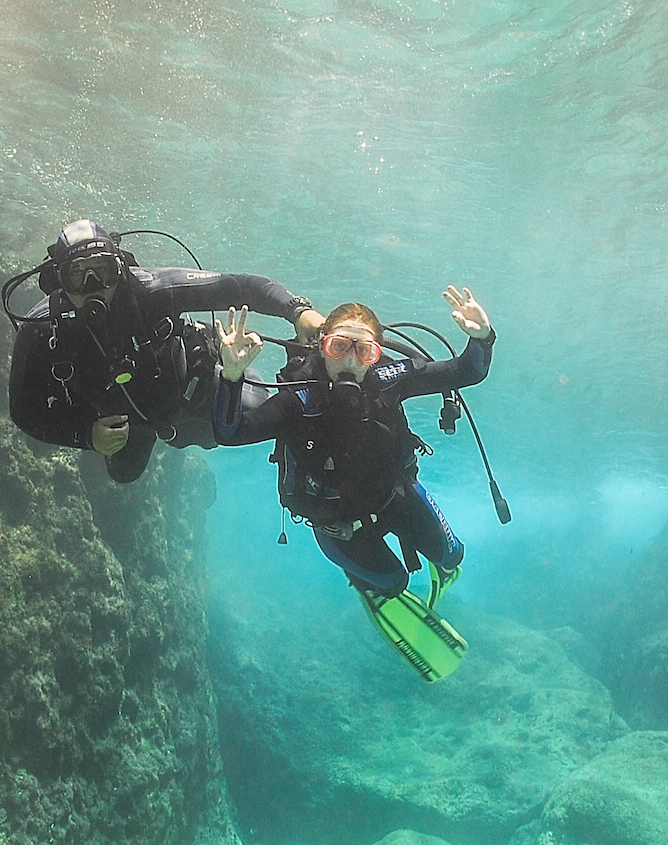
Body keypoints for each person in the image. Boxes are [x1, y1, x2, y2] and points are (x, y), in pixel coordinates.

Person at [212, 287, 495, 679]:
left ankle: (434, 566)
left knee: (452, 556)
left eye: (363, 351)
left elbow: (468, 371)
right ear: (321, 345)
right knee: (393, 582)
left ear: (377, 355)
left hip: (394, 497)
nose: (350, 360)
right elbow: (231, 432)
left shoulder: (389, 380)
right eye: (339, 346)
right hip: (337, 525)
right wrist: (231, 376)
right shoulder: (298, 397)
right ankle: (370, 586)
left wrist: (482, 337)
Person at [7, 220, 325, 483]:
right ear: (58, 280)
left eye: (103, 270)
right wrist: (86, 435)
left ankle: (236, 374)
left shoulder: (154, 291)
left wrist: (298, 311)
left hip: (190, 392)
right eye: (78, 274)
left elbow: (242, 286)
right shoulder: (40, 330)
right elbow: (24, 411)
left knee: (250, 418)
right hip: (125, 426)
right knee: (124, 476)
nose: (94, 285)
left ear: (120, 268)